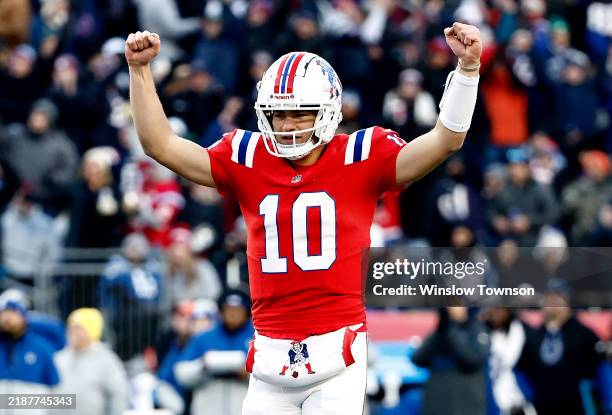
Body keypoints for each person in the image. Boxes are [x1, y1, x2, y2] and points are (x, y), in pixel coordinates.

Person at [125, 21, 482, 414]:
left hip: (336, 351)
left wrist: (466, 71)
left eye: (300, 113)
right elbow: (159, 144)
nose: (288, 125)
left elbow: (446, 138)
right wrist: (140, 71)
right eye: (279, 114)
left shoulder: (361, 154)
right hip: (269, 354)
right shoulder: (247, 156)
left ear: (328, 110)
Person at [54, 308, 129, 415]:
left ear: (91, 330)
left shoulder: (106, 360)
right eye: (70, 327)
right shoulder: (59, 358)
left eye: (78, 328)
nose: (72, 332)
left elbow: (118, 395)